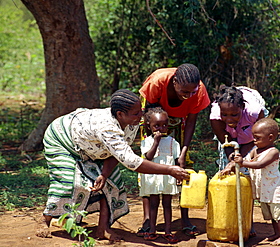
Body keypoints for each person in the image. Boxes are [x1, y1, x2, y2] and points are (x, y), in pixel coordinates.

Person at [35, 89, 189, 242]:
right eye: (136, 113)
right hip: (62, 140)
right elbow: (131, 161)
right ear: (120, 114)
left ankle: (103, 228)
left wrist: (104, 174)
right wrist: (170, 170)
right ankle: (45, 219)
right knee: (69, 183)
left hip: (94, 148)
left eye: (140, 111)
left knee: (111, 183)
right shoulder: (107, 128)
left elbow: (119, 153)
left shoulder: (132, 122)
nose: (140, 116)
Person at [137, 63, 210, 237]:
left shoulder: (198, 90)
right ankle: (148, 220)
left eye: (192, 92)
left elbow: (191, 121)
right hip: (154, 118)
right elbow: (149, 117)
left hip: (180, 120)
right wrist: (153, 144)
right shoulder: (157, 82)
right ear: (175, 82)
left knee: (183, 169)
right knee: (147, 168)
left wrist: (182, 152)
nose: (189, 96)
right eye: (184, 92)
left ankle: (185, 219)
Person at [210, 85, 267, 237]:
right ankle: (228, 220)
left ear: (242, 107)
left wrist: (239, 160)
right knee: (226, 173)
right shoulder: (216, 115)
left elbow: (256, 140)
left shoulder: (254, 111)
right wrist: (231, 159)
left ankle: (248, 222)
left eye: (234, 114)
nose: (229, 119)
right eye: (225, 115)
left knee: (247, 177)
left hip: (252, 131)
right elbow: (225, 142)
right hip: (230, 138)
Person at [222, 118, 280, 246]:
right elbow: (246, 160)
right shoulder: (255, 150)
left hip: (274, 188)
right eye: (253, 137)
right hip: (264, 189)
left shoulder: (273, 152)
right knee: (271, 213)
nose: (254, 140)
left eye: (257, 137)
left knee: (278, 214)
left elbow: (259, 164)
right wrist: (231, 165)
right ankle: (276, 233)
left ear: (270, 138)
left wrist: (242, 162)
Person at [140, 106, 180, 244]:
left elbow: (177, 160)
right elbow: (149, 157)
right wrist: (156, 142)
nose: (161, 129)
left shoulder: (172, 142)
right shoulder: (146, 141)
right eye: (156, 126)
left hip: (167, 178)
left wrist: (180, 176)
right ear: (149, 126)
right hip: (153, 177)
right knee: (153, 204)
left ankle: (168, 231)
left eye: (164, 125)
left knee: (167, 204)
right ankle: (152, 230)